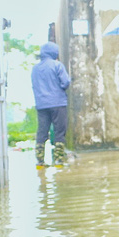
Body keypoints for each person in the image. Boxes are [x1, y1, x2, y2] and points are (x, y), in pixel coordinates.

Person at [31, 41, 71, 169]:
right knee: (60, 131)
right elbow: (65, 82)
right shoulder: (57, 65)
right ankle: (59, 160)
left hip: (42, 104)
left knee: (42, 132)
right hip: (58, 102)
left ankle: (40, 162)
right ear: (54, 52)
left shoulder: (35, 69)